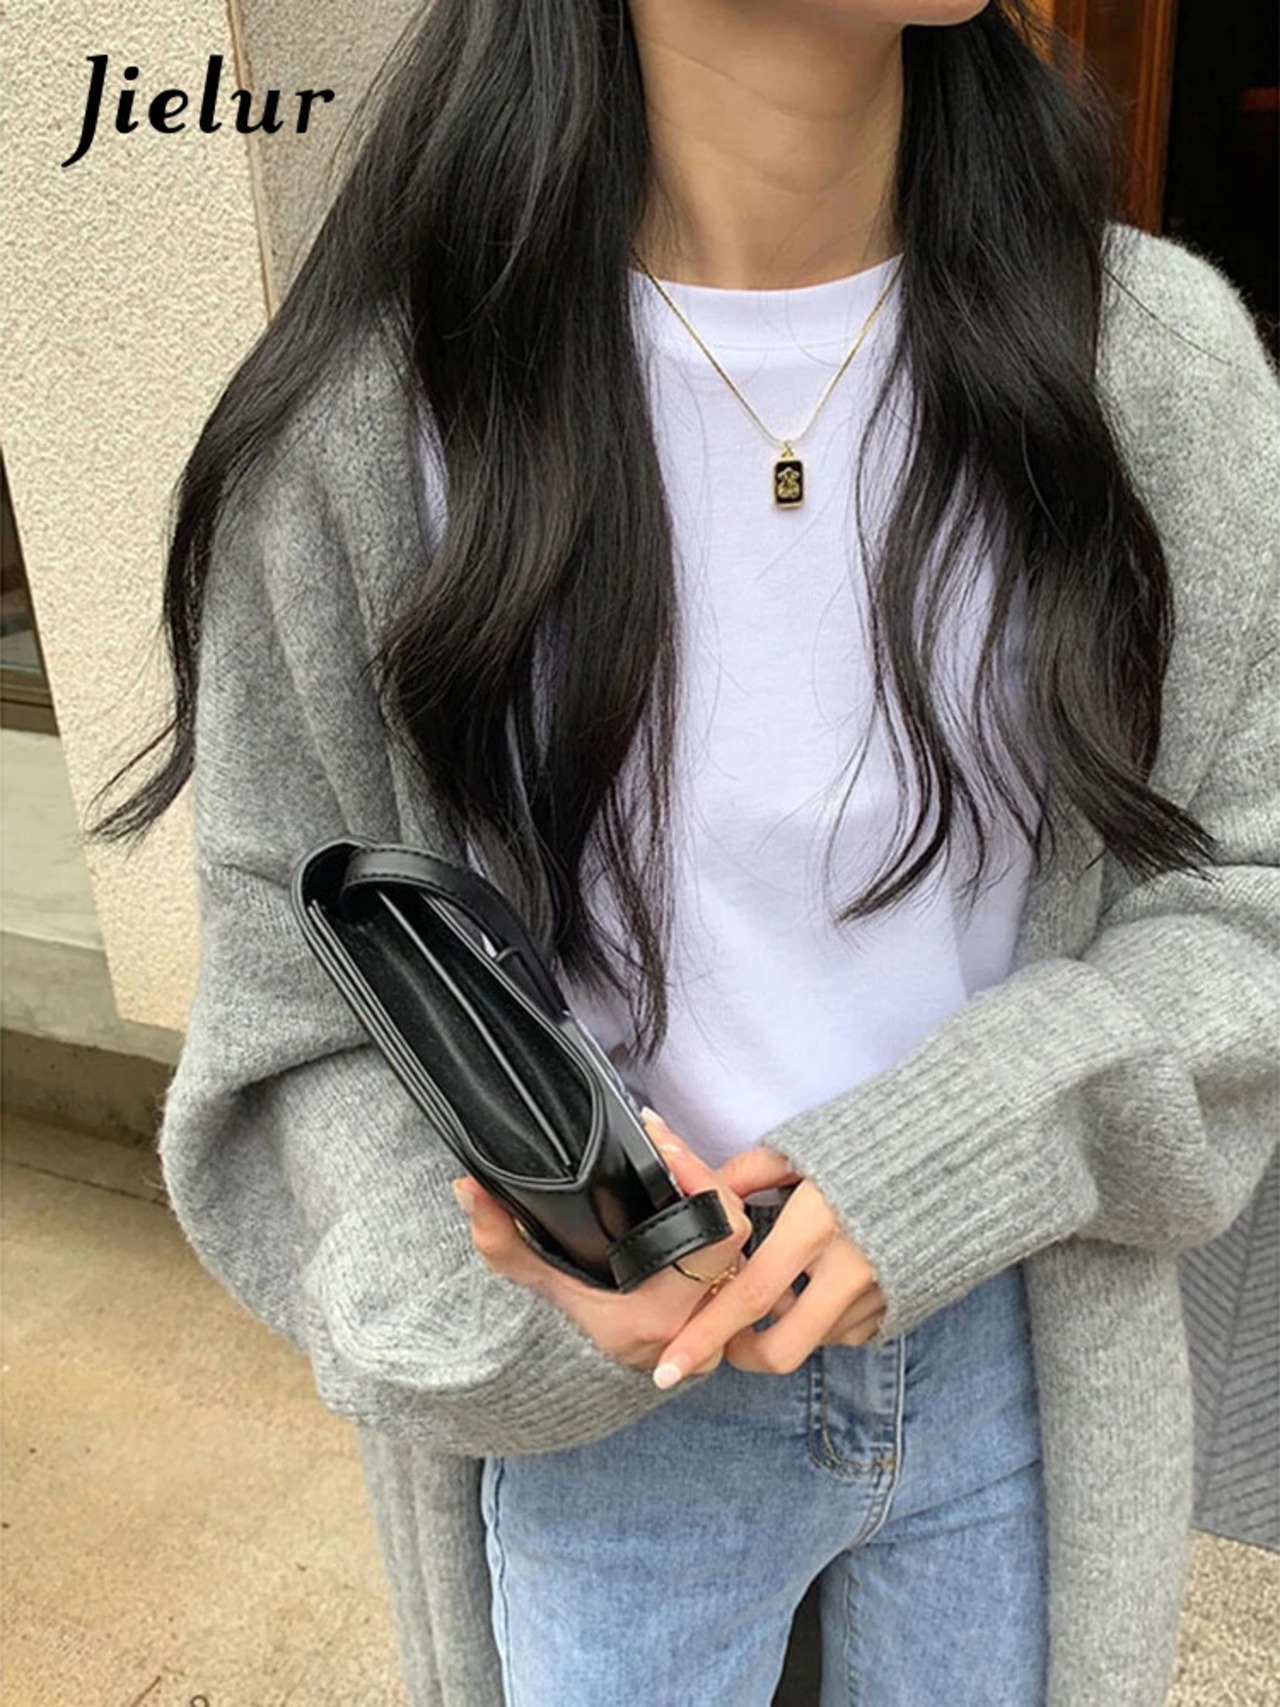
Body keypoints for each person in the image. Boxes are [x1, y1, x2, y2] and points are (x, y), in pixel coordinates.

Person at [86, 1, 1279, 1703]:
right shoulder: (363, 433)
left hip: (1020, 1348)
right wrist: (526, 1284)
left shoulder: (1151, 369)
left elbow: (1245, 895)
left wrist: (975, 1139)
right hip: (608, 1428)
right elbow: (301, 1024)